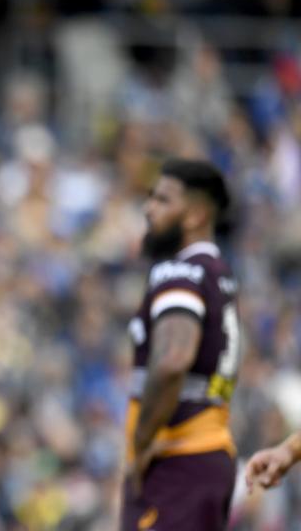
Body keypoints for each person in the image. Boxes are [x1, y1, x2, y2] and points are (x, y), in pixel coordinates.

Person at [123, 159, 239, 531]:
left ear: (195, 214)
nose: (148, 208)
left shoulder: (180, 271)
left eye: (162, 200)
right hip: (206, 457)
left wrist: (141, 443)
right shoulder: (218, 274)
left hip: (177, 459)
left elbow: (173, 360)